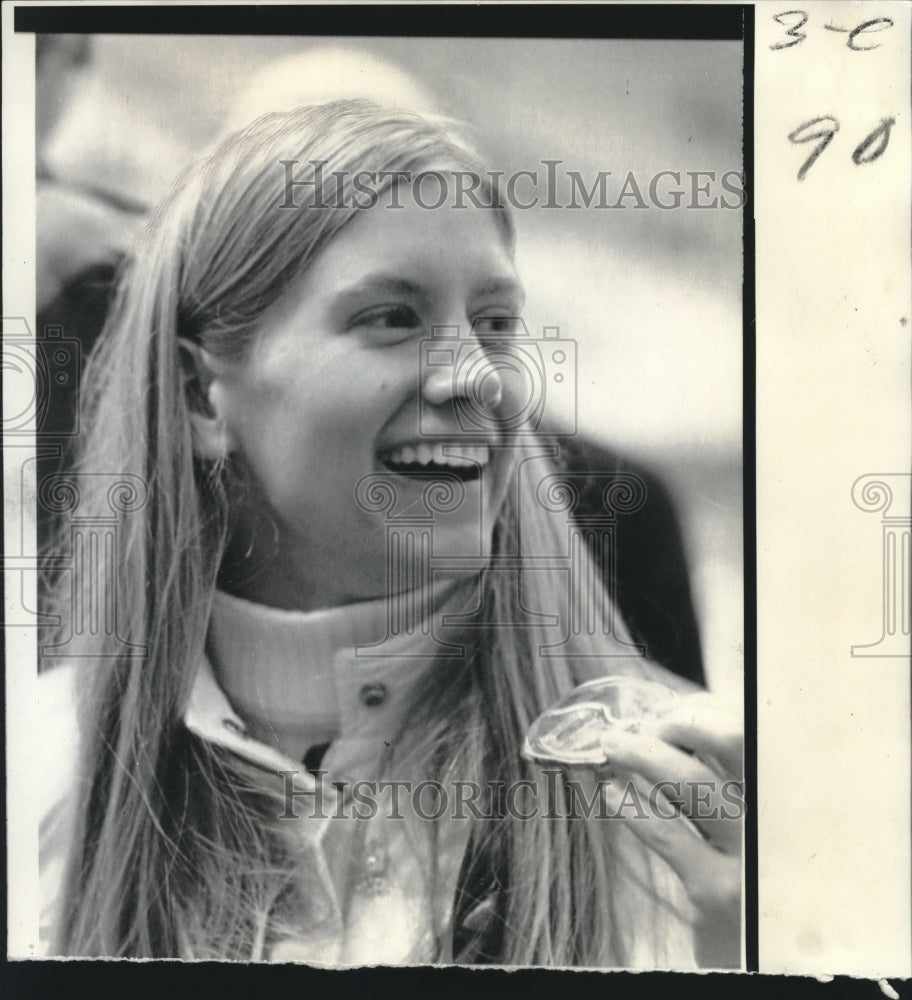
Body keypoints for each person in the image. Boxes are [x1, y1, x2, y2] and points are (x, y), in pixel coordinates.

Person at [39, 101, 741, 965]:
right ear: (197, 394)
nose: (476, 377)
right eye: (393, 318)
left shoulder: (694, 813)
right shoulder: (40, 777)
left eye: (495, 324)